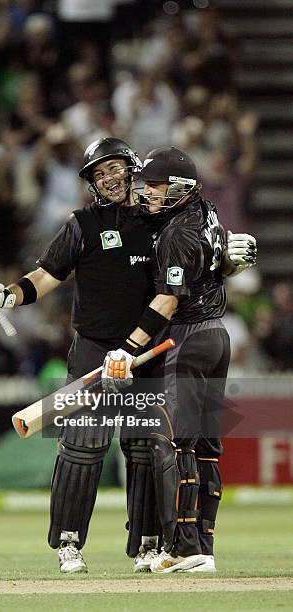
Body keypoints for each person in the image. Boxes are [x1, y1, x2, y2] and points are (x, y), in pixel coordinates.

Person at [0, 139, 256, 573]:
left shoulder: (160, 215)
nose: (110, 178)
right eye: (99, 174)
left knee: (147, 448)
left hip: (151, 348)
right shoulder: (83, 223)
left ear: (133, 169)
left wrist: (228, 260)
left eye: (116, 168)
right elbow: (47, 275)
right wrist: (5, 296)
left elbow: (196, 255)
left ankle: (150, 545)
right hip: (95, 348)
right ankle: (69, 544)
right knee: (83, 446)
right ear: (92, 185)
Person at [101, 146, 257, 573]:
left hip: (187, 338)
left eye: (156, 185)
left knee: (174, 443)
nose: (147, 192)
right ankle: (203, 547)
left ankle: (184, 549)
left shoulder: (175, 235)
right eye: (146, 183)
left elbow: (167, 300)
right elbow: (221, 256)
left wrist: (128, 349)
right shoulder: (207, 212)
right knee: (205, 449)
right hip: (217, 336)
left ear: (181, 188)